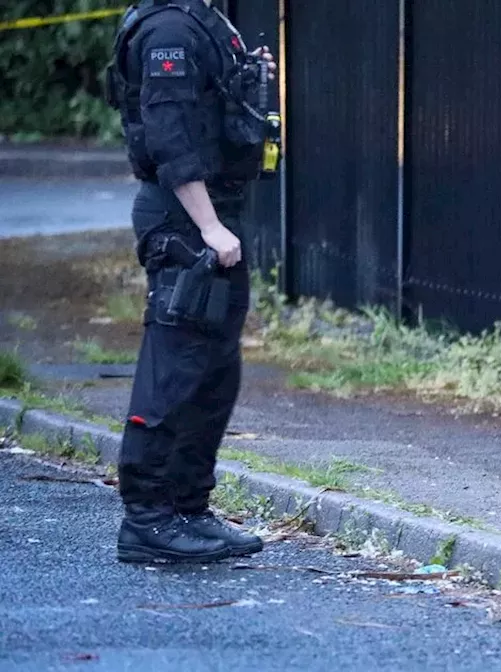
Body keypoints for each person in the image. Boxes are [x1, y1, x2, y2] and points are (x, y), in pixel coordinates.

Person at [106, 0, 277, 564]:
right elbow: (169, 136)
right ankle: (149, 518)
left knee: (213, 372)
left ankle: (188, 509)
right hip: (185, 221)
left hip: (210, 216)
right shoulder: (170, 30)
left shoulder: (200, 17)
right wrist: (208, 227)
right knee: (175, 367)